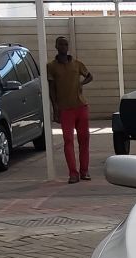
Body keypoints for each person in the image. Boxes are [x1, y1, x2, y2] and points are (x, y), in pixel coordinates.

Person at [47, 36, 93, 184]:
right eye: (60, 44)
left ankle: (84, 171)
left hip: (81, 106)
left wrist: (81, 83)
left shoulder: (77, 64)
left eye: (66, 44)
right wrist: (55, 108)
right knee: (68, 141)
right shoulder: (51, 66)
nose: (63, 46)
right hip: (65, 109)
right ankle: (73, 173)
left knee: (84, 139)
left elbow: (90, 76)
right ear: (56, 46)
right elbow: (51, 88)